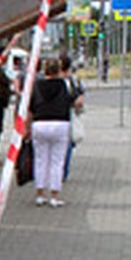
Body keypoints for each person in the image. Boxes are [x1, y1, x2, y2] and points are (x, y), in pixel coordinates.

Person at [28, 56, 74, 207]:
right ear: (58, 70)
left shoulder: (36, 85)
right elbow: (73, 100)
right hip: (60, 123)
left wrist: (27, 128)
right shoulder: (64, 84)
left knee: (40, 159)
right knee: (57, 161)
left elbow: (30, 108)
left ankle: (40, 194)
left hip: (40, 123)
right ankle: (54, 196)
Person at [59, 52, 85, 180]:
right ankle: (63, 172)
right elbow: (80, 97)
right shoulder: (73, 80)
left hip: (53, 117)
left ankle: (58, 172)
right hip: (67, 116)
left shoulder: (48, 80)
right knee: (67, 144)